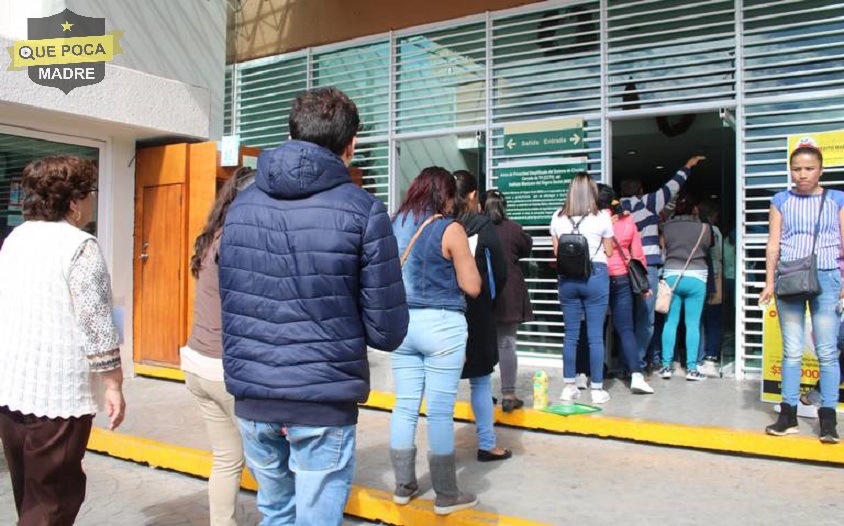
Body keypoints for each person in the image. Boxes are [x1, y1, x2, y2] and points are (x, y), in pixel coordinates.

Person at [218, 88, 409, 525]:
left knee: (276, 514)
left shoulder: (241, 208)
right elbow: (387, 331)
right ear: (351, 145)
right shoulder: (362, 210)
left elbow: (232, 297)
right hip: (323, 397)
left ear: (291, 132)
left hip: (254, 396)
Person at [0, 155, 126, 525]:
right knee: (52, 502)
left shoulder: (16, 238)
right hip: (57, 396)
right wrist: (113, 384)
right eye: (88, 194)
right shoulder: (80, 246)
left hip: (11, 387)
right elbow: (98, 323)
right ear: (73, 202)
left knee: (29, 495)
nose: (91, 202)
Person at [390, 166, 481, 515]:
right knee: (440, 412)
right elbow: (472, 286)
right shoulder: (450, 228)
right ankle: (445, 494)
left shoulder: (394, 224)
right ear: (444, 195)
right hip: (442, 326)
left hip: (402, 325)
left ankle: (403, 485)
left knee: (405, 405)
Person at [181, 167, 254, 526]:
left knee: (226, 458)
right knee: (269, 458)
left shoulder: (213, 236)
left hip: (198, 362)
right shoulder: (239, 241)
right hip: (226, 369)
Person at [760, 140, 843, 444]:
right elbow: (773, 243)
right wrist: (769, 281)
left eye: (809, 168)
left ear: (821, 169)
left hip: (828, 277)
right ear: (790, 171)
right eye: (797, 169)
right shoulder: (780, 200)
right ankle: (788, 416)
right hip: (790, 278)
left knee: (827, 352)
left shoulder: (837, 199)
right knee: (792, 352)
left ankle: (828, 421)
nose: (803, 174)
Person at [620, 155, 705, 371]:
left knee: (623, 318)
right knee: (645, 319)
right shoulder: (647, 202)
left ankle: (625, 362)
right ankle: (637, 365)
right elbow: (672, 187)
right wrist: (687, 166)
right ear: (640, 191)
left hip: (620, 267)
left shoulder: (615, 209)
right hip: (646, 266)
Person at [452, 171, 511, 462]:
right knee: (480, 381)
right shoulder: (483, 226)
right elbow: (499, 271)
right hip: (476, 311)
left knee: (443, 384)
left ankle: (440, 450)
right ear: (474, 195)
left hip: (444, 311)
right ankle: (487, 444)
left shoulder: (439, 223)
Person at [551, 173, 614, 404]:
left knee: (571, 335)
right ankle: (597, 389)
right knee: (595, 336)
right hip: (595, 275)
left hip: (568, 278)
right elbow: (609, 252)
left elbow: (557, 253)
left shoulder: (557, 217)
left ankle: (569, 386)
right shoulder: (603, 217)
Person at [597, 184, 654, 394]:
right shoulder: (628, 220)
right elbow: (638, 255)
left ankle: (592, 374)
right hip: (622, 278)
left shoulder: (593, 220)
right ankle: (637, 376)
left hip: (598, 277)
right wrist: (644, 284)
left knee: (596, 328)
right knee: (626, 329)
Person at [482, 189, 534, 412]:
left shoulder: (476, 227)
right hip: (509, 293)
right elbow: (526, 247)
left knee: (482, 346)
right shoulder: (514, 229)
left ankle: (483, 393)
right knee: (507, 344)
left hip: (482, 292)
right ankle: (509, 394)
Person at [658, 195, 712, 381]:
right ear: (694, 209)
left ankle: (665, 366)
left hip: (672, 276)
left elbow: (663, 247)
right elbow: (707, 247)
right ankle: (691, 369)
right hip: (697, 276)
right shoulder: (705, 228)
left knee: (670, 322)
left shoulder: (667, 227)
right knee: (692, 324)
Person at [696, 199, 724, 377]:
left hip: (698, 276)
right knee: (713, 317)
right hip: (712, 277)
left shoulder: (696, 229)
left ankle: (698, 356)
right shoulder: (714, 231)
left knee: (697, 319)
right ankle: (711, 356)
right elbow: (718, 256)